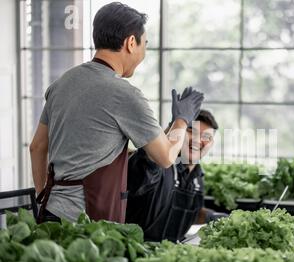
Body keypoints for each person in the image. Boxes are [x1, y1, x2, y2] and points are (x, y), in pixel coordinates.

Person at [29, 2, 203, 223]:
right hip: (87, 225)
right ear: (131, 42)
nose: (144, 52)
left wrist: (42, 195)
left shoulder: (62, 83)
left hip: (50, 213)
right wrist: (181, 120)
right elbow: (166, 157)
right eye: (145, 44)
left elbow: (37, 147)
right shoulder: (124, 94)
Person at [126, 109, 228, 242]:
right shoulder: (161, 164)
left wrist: (210, 216)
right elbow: (146, 163)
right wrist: (170, 132)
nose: (198, 140)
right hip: (136, 251)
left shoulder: (197, 177)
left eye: (207, 137)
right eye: (192, 131)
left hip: (171, 254)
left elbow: (189, 212)